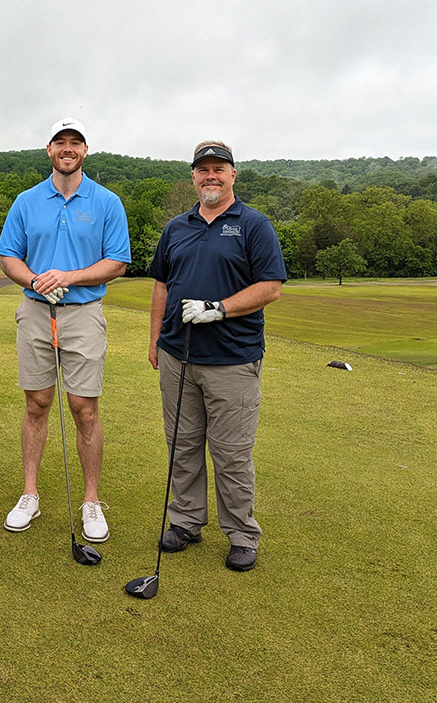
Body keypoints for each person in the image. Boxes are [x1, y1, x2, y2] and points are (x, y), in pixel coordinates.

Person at [148, 140, 286, 571]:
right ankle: (186, 521)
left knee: (231, 452)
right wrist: (155, 339)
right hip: (177, 356)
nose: (211, 176)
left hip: (232, 358)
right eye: (203, 169)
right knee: (182, 444)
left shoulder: (253, 225)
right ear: (193, 176)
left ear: (233, 175)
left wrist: (219, 308)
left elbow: (271, 287)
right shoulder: (177, 227)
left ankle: (242, 534)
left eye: (218, 169)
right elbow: (161, 285)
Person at [0, 118, 130, 543]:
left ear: (85, 151)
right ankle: (29, 494)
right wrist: (35, 280)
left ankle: (91, 501)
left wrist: (68, 277)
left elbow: (117, 262)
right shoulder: (27, 200)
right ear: (49, 150)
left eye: (76, 142)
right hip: (36, 310)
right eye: (60, 142)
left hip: (83, 313)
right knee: (36, 404)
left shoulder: (106, 201)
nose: (67, 149)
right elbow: (9, 258)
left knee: (84, 408)